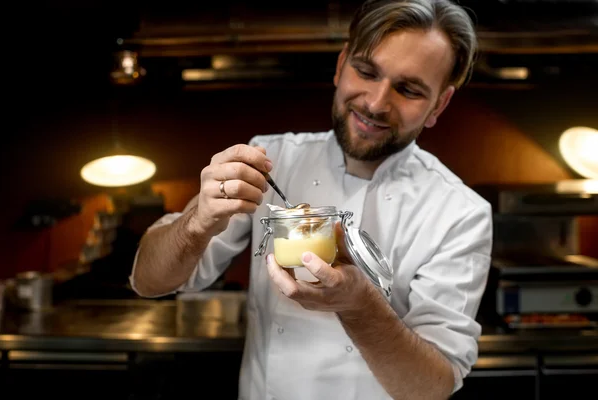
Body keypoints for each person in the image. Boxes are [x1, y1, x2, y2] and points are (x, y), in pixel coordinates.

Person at [130, 0, 493, 399]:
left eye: (408, 89)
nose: (375, 103)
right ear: (340, 66)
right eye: (366, 71)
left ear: (438, 104)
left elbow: (432, 387)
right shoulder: (271, 160)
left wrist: (357, 304)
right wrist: (197, 221)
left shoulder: (460, 212)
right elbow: (149, 282)